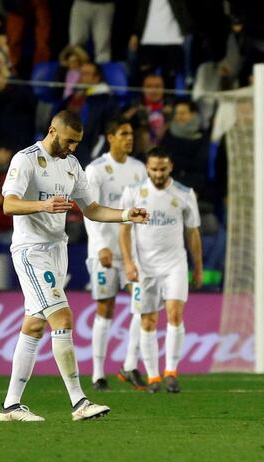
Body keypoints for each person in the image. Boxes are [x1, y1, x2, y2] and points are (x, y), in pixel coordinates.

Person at [0, 111, 149, 422]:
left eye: (78, 143)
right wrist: (42, 204)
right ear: (53, 131)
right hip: (31, 250)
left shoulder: (72, 165)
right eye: (69, 141)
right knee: (63, 316)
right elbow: (8, 204)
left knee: (35, 324)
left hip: (57, 250)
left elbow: (91, 209)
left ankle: (11, 406)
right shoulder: (26, 160)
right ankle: (79, 401)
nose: (73, 148)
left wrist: (125, 215)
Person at [120, 147, 203, 394]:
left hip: (175, 265)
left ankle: (171, 372)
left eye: (162, 169)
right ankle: (153, 377)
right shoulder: (133, 193)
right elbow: (124, 230)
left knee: (175, 314)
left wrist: (198, 267)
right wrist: (128, 263)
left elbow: (193, 232)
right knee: (148, 320)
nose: (158, 173)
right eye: (154, 169)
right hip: (144, 268)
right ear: (147, 168)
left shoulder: (185, 194)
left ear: (171, 168)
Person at [84, 118, 148, 391]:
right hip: (106, 250)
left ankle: (130, 365)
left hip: (133, 251)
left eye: (131, 134)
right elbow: (90, 209)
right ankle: (98, 373)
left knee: (142, 303)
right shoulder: (96, 169)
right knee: (105, 306)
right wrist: (100, 245)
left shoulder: (139, 169)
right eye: (123, 134)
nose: (129, 138)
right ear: (110, 137)